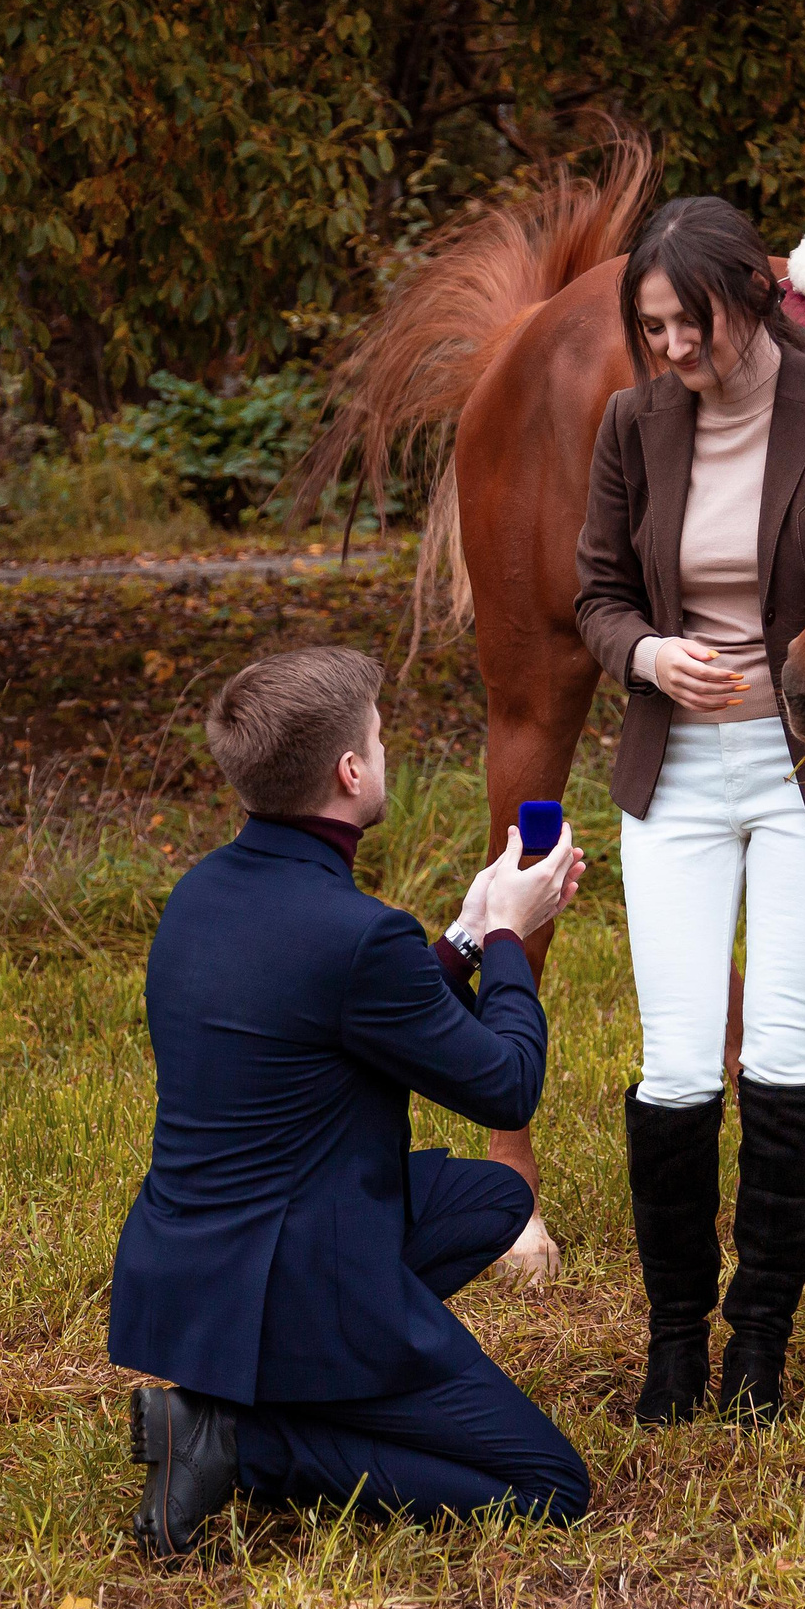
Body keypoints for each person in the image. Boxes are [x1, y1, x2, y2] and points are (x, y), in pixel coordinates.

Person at [107, 645, 592, 1555]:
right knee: (549, 1487)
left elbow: (349, 1020)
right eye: (379, 733)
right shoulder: (357, 934)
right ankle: (244, 1439)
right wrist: (508, 933)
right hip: (299, 1278)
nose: (386, 746)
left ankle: (259, 1388)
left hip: (189, 1276)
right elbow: (504, 1080)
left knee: (496, 1197)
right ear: (349, 769)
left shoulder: (200, 892)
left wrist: (460, 935)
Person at [574, 196, 805, 1426]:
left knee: (777, 1046)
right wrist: (647, 658)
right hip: (674, 778)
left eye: (686, 323)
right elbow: (597, 594)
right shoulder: (631, 424)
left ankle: (757, 1350)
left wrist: (795, 674)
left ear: (754, 300)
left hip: (803, 772)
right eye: (651, 327)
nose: (668, 349)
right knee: (672, 1067)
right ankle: (673, 1350)